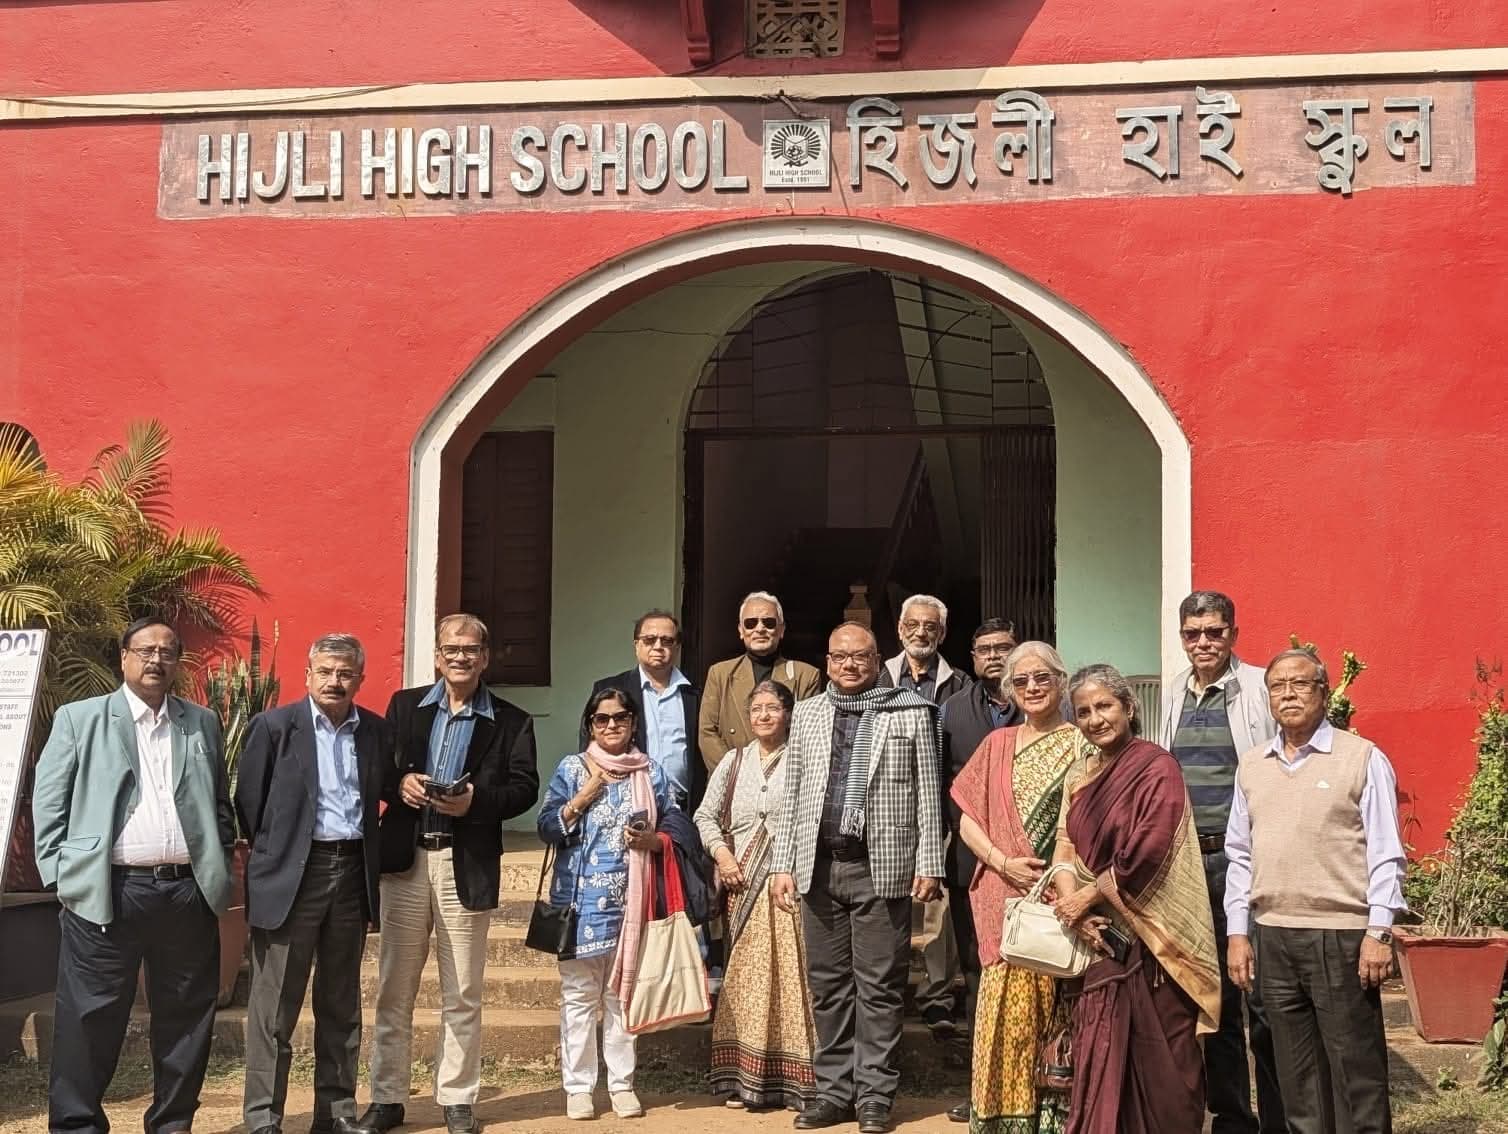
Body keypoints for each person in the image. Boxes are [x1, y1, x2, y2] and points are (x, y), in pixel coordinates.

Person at [32, 616, 235, 1134]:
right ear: (123, 657)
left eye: (167, 652)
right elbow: (49, 801)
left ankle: (172, 1125)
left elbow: (218, 800)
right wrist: (60, 874)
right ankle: (77, 1126)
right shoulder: (81, 719)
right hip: (107, 891)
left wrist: (217, 858)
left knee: (186, 1018)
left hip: (186, 892)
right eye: (145, 650)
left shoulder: (201, 722)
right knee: (89, 1018)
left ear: (177, 662)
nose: (156, 660)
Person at [358, 615, 541, 1134]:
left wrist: (475, 802)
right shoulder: (405, 707)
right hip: (407, 864)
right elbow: (377, 768)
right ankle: (387, 1098)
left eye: (470, 649)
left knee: (462, 991)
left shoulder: (511, 720)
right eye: (451, 649)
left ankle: (457, 1098)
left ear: (485, 658)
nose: (460, 657)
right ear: (437, 656)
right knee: (394, 988)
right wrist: (400, 785)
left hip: (465, 864)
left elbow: (525, 788)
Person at [771, 622, 944, 1134]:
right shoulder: (808, 713)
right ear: (827, 662)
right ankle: (833, 1092)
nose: (849, 664)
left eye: (860, 656)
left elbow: (929, 792)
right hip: (819, 867)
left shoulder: (911, 711)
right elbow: (792, 792)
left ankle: (874, 1096)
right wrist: (782, 863)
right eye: (840, 656)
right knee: (827, 987)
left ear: (876, 661)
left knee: (880, 988)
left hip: (880, 867)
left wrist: (929, 861)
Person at [1225, 649, 1406, 1134]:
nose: (1288, 694)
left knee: (1356, 1074)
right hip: (1273, 937)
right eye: (1277, 686)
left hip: (1340, 937)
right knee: (1296, 1079)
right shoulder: (1252, 766)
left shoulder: (1360, 757)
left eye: (1300, 684)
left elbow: (1386, 852)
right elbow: (1239, 855)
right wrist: (1238, 933)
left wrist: (1379, 932)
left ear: (1323, 693)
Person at [1049, 663, 1221, 1134]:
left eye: (1104, 706)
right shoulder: (1079, 774)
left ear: (1128, 707)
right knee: (1101, 1050)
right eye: (1083, 711)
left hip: (1153, 939)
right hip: (1098, 939)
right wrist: (1073, 908)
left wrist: (1087, 897)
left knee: (1165, 1061)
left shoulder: (1156, 767)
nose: (1095, 719)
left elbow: (1149, 849)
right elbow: (1064, 844)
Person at [236, 634, 397, 1134]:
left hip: (351, 873)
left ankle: (336, 1113)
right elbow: (249, 805)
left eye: (345, 673)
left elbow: (384, 793)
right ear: (307, 674)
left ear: (360, 679)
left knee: (340, 1001)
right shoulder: (274, 727)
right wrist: (279, 859)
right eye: (325, 671)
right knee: (274, 1008)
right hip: (292, 876)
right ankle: (264, 1118)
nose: (334, 681)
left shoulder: (374, 731)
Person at [1159, 590, 1284, 1134]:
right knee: (1216, 999)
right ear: (1182, 638)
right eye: (1193, 634)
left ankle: (1280, 1118)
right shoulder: (1172, 693)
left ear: (1233, 633)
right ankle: (1234, 1117)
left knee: (1263, 998)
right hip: (1192, 865)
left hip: (1249, 863)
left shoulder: (1258, 687)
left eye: (1214, 632)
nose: (1204, 643)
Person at [950, 642, 1083, 1134]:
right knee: (1004, 1014)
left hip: (1062, 897)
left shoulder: (1083, 744)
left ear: (1060, 682)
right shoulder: (997, 745)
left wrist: (1063, 879)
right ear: (1009, 689)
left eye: (1042, 677)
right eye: (1021, 680)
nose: (1032, 687)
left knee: (1062, 1011)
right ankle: (1002, 1118)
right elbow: (967, 819)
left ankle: (1055, 1120)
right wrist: (1003, 861)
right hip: (1003, 896)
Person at [539, 688, 678, 1122]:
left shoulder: (650, 772)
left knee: (621, 996)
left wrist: (655, 840)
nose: (612, 725)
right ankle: (579, 1088)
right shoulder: (572, 768)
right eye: (602, 719)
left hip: (631, 905)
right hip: (579, 906)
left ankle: (621, 1085)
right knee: (579, 998)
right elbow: (546, 827)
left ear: (633, 723)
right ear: (590, 725)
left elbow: (675, 822)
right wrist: (582, 797)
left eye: (620, 717)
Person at [695, 680, 817, 1112]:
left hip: (789, 885)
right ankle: (745, 1080)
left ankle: (796, 1082)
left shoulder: (804, 759)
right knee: (746, 981)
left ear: (789, 714)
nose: (764, 716)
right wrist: (723, 855)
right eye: (756, 709)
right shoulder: (733, 761)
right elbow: (705, 816)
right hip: (741, 885)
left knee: (791, 978)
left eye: (773, 708)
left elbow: (812, 818)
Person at [879, 594, 972, 1042]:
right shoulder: (880, 679)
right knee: (888, 901)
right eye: (913, 625)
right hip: (891, 805)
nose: (921, 633)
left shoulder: (959, 684)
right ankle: (887, 995)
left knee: (937, 909)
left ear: (942, 633)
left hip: (941, 805)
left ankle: (936, 996)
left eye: (930, 627)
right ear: (900, 629)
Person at [935, 618, 1023, 1076]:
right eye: (985, 649)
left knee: (1030, 956)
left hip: (1029, 854)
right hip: (969, 853)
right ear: (972, 658)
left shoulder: (1040, 704)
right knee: (975, 960)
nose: (994, 656)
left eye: (1002, 648)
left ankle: (1032, 1072)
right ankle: (981, 1074)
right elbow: (938, 783)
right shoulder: (952, 711)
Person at [583, 609, 705, 813]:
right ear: (636, 645)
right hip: (626, 807)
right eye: (649, 640)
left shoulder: (694, 695)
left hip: (682, 807)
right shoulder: (610, 689)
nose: (658, 646)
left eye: (667, 640)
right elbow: (589, 747)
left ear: (677, 647)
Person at [698, 591, 823, 771]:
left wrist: (774, 774)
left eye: (768, 622)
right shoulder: (719, 674)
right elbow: (707, 733)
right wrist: (738, 773)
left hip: (783, 777)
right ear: (741, 631)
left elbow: (807, 736)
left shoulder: (805, 676)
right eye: (751, 623)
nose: (760, 629)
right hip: (732, 778)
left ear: (781, 630)